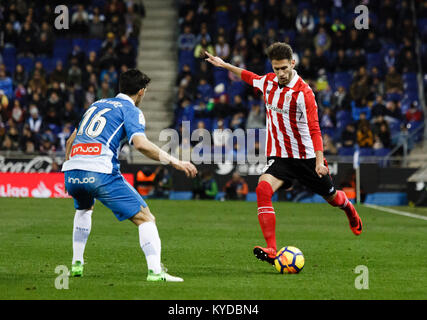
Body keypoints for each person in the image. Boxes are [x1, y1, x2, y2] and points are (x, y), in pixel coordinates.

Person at [205, 42, 362, 265]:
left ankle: (348, 208)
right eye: (276, 68)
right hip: (280, 157)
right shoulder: (268, 81)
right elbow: (248, 76)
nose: (280, 73)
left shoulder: (304, 93)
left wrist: (319, 161)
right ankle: (271, 248)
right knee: (262, 188)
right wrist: (224, 65)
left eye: (284, 68)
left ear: (293, 64)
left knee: (333, 198)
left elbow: (315, 128)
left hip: (307, 159)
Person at [62, 69, 197, 282]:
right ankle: (155, 272)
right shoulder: (130, 109)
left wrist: (71, 169)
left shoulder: (96, 105)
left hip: (72, 170)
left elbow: (71, 140)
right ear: (141, 91)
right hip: (100, 171)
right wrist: (176, 161)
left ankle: (77, 264)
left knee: (84, 209)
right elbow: (141, 144)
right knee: (146, 218)